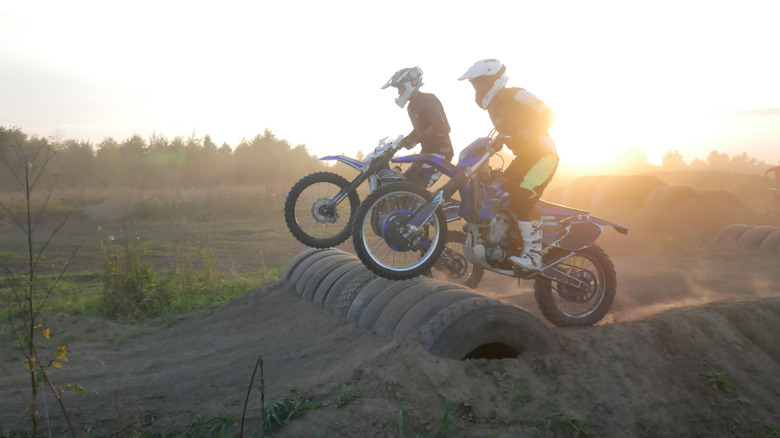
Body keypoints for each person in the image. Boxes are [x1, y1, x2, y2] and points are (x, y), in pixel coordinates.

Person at [458, 59, 558, 271]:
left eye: (481, 83)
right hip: (524, 159)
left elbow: (549, 115)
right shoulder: (494, 106)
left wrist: (526, 131)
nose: (478, 88)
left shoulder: (517, 95)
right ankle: (509, 242)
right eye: (475, 85)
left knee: (523, 195)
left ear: (495, 79)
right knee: (499, 192)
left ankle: (533, 256)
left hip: (543, 156)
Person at [382, 67, 454, 187]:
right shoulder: (412, 107)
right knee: (406, 181)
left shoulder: (428, 99)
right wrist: (402, 143)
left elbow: (439, 126)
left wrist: (415, 139)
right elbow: (419, 130)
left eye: (400, 88)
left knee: (417, 186)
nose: (399, 92)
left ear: (410, 84)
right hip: (426, 152)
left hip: (441, 152)